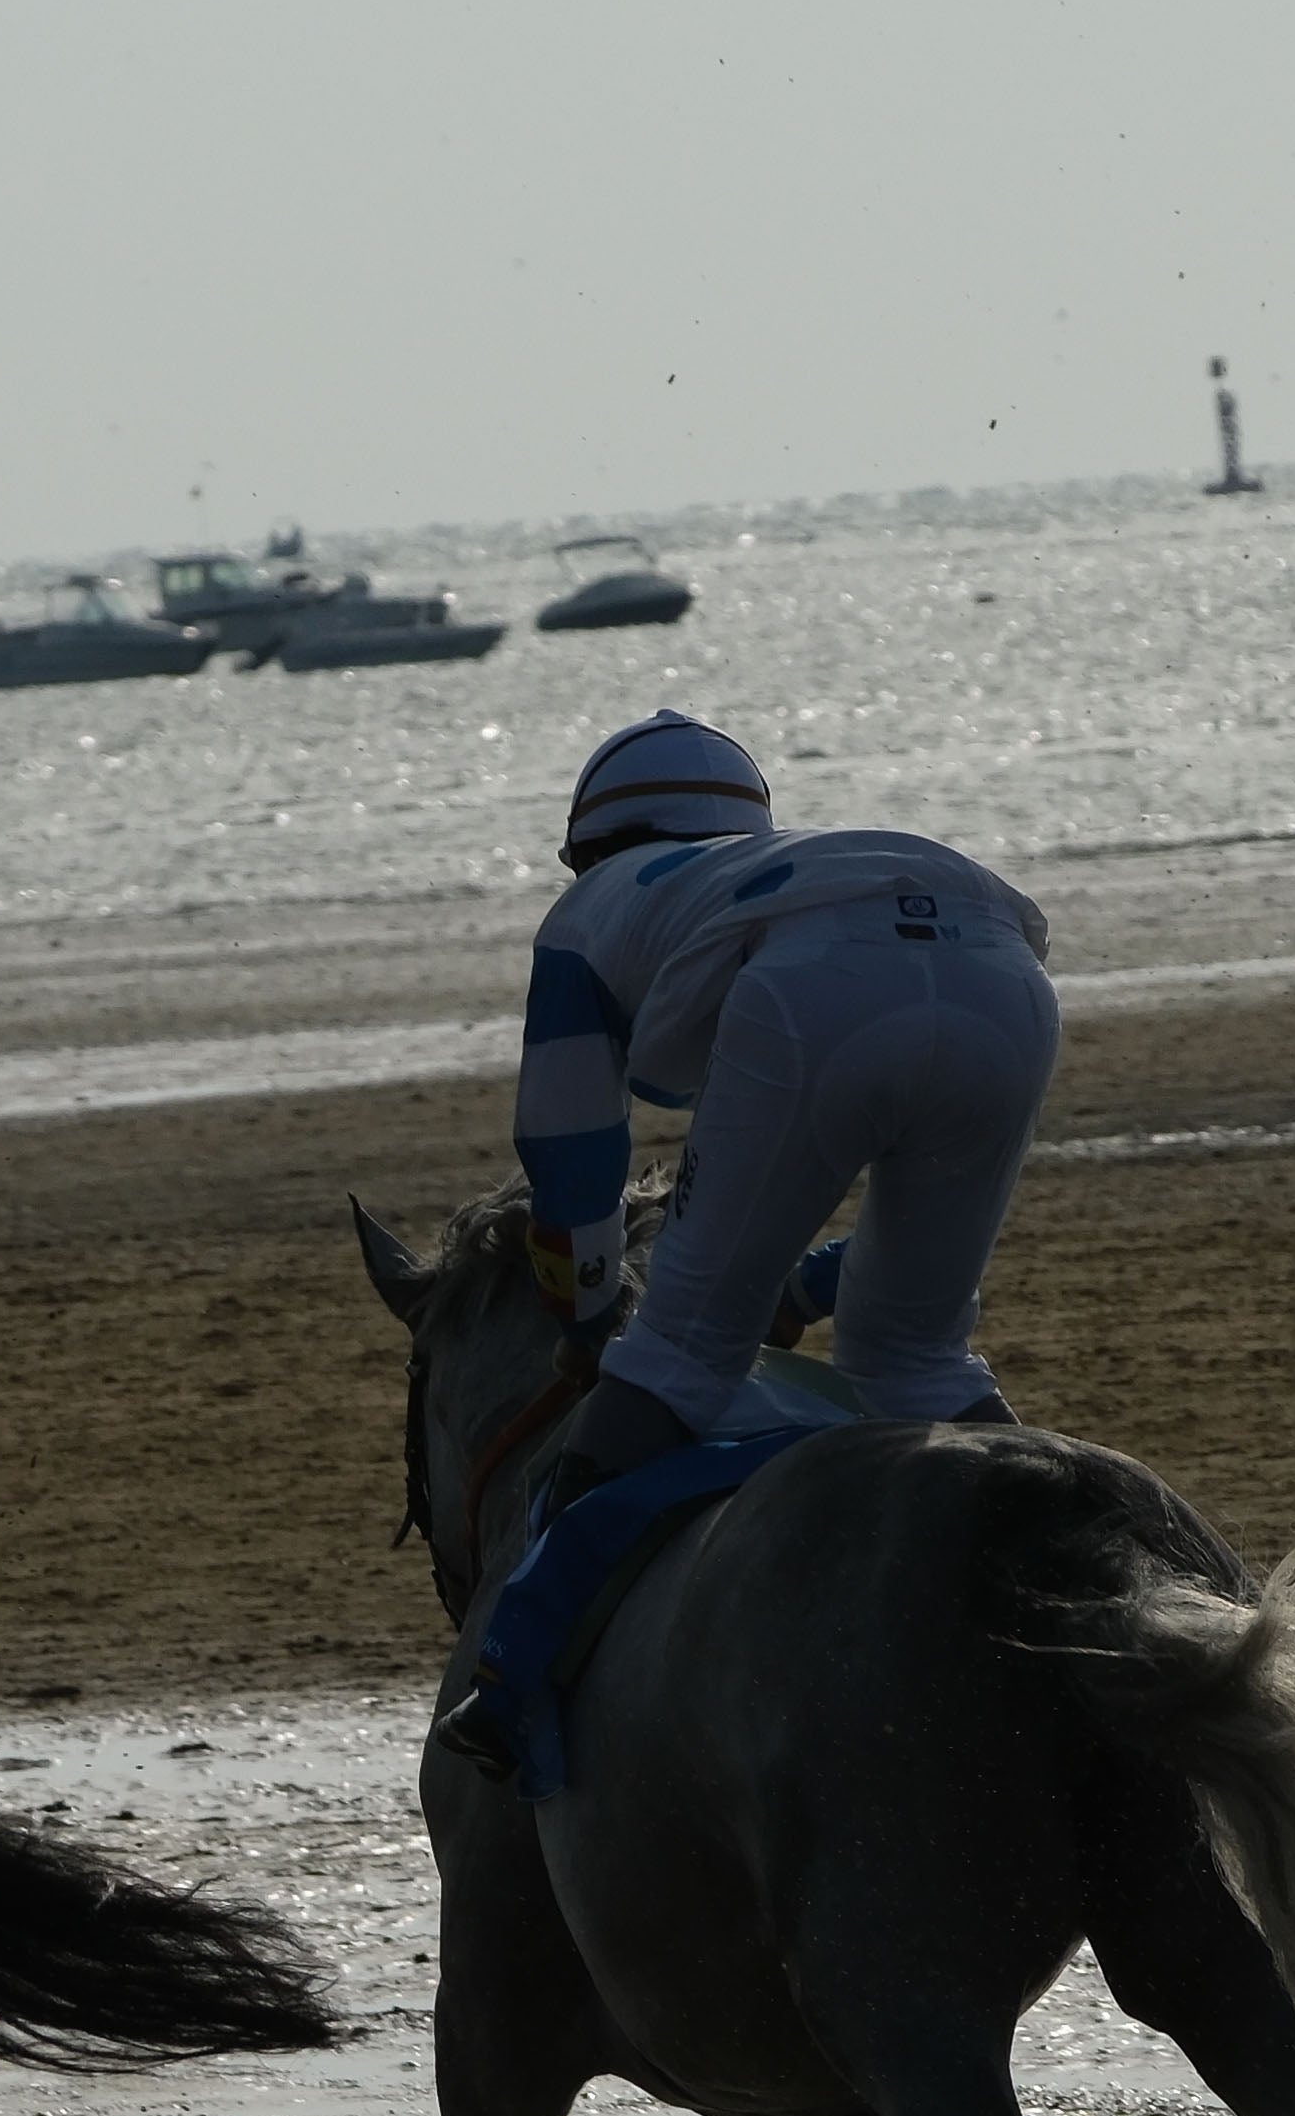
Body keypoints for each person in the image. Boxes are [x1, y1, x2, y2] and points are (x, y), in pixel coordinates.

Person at [429, 711, 1060, 1775]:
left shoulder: (590, 911)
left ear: (589, 850)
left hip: (830, 983)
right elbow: (865, 1147)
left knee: (677, 1353)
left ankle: (508, 1679)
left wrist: (589, 1316)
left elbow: (573, 1155)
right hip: (1007, 969)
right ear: (748, 824)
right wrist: (808, 1284)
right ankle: (1072, 1556)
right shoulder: (774, 876)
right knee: (916, 1355)